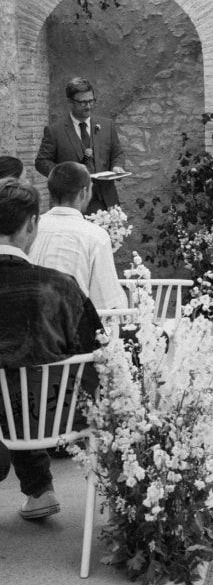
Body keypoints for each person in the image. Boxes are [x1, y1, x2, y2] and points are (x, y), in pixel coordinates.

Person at [0, 179, 102, 520]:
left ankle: (40, 489)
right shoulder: (60, 286)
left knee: (10, 383)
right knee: (25, 382)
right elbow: (97, 351)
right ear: (32, 224)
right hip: (52, 417)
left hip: (6, 419)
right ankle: (40, 491)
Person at [29, 162, 127, 311]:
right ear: (83, 192)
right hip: (72, 326)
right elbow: (108, 304)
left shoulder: (31, 227)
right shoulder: (95, 236)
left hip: (29, 321)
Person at [35, 77, 126, 213]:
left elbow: (117, 153)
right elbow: (41, 162)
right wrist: (65, 175)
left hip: (106, 201)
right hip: (71, 203)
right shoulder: (55, 131)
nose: (88, 106)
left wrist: (117, 166)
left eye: (91, 101)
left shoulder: (107, 125)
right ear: (70, 102)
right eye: (83, 103)